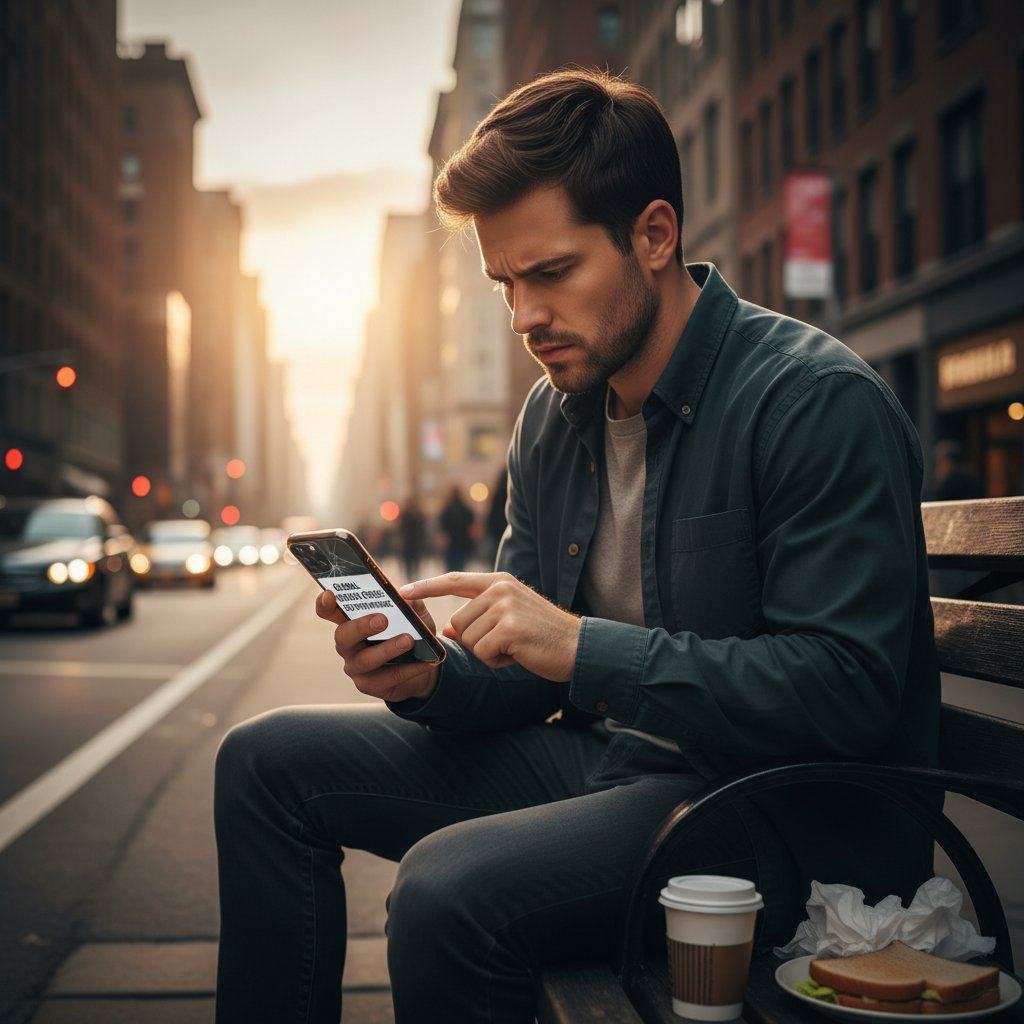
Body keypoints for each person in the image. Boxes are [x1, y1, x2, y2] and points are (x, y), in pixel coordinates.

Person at [214, 70, 939, 1024]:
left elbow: (845, 692)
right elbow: (530, 672)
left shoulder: (811, 402)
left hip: (778, 813)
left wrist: (583, 646)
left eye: (551, 273)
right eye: (505, 283)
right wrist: (430, 677)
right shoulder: (555, 419)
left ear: (653, 235)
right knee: (262, 762)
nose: (524, 319)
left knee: (443, 891)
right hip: (614, 772)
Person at [438, 483, 475, 572]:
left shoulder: (447, 509)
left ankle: (451, 582)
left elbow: (443, 525)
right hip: (463, 541)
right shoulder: (465, 509)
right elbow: (471, 521)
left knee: (450, 566)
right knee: (460, 565)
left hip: (451, 541)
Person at [397, 494, 428, 581]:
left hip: (407, 541)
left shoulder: (404, 513)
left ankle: (409, 577)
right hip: (416, 541)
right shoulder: (419, 513)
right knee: (415, 560)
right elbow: (422, 527)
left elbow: (400, 528)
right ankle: (414, 576)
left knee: (408, 561)